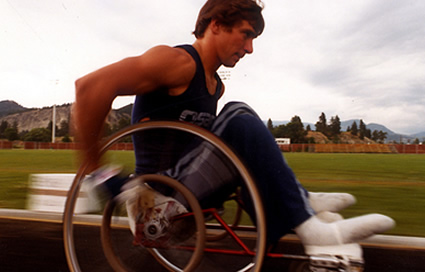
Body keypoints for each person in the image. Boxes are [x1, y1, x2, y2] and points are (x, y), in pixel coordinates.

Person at [73, 0, 394, 257]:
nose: (250, 48)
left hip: (187, 201)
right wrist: (98, 173)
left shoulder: (215, 88)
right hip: (155, 210)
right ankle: (311, 228)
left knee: (235, 126)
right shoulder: (177, 62)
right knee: (238, 116)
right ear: (216, 25)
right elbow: (88, 88)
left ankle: (300, 206)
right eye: (246, 34)